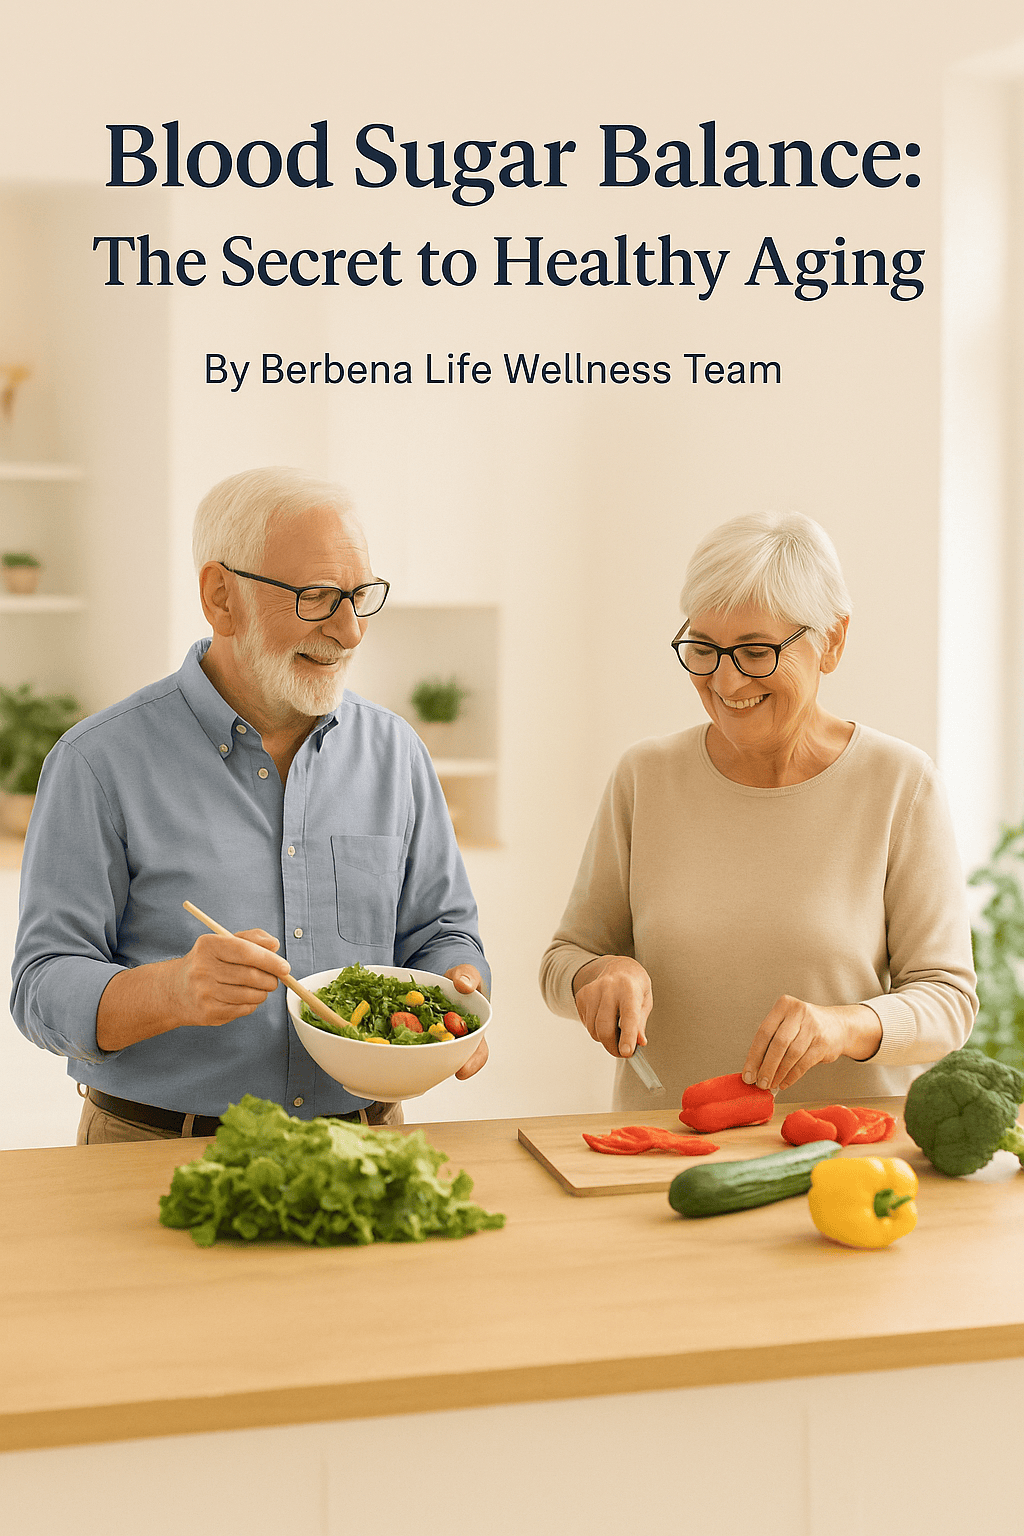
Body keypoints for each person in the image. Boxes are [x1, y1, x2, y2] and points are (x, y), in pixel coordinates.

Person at [11, 466, 489, 1143]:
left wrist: (456, 992)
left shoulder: (395, 753)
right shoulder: (98, 763)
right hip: (156, 1151)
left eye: (360, 596)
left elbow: (442, 933)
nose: (351, 632)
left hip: (369, 1142)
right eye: (320, 597)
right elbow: (41, 987)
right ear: (220, 596)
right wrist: (173, 991)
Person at [539, 510, 977, 1110]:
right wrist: (599, 975)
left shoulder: (901, 784)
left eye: (754, 650)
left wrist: (844, 1026)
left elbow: (948, 1001)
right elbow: (563, 961)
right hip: (663, 1156)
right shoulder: (644, 778)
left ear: (832, 641)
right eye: (704, 648)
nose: (725, 680)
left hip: (841, 1156)